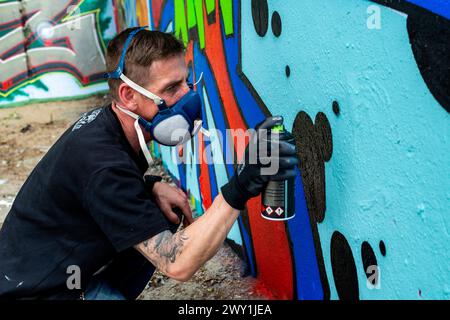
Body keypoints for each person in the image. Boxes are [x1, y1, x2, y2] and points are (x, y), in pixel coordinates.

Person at [0, 27, 298, 300]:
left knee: (158, 210)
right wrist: (241, 187)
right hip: (37, 293)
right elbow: (177, 264)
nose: (187, 96)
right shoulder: (103, 163)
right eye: (171, 88)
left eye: (186, 80)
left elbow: (88, 190)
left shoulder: (109, 126)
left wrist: (149, 185)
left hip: (47, 271)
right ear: (128, 95)